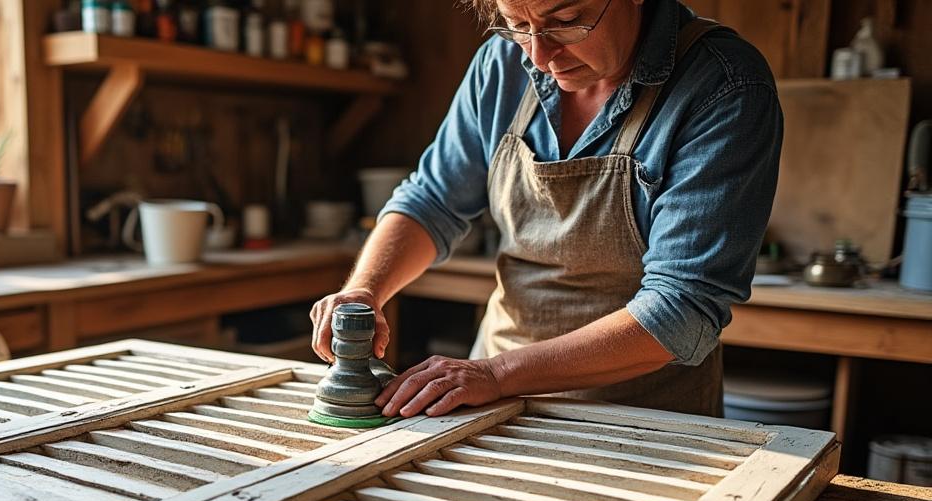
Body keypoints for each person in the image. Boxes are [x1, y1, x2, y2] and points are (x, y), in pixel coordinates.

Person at [309, 0, 782, 419]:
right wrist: (365, 289)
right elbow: (431, 199)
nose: (537, 54)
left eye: (567, 21)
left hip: (640, 416)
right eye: (515, 23)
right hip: (489, 400)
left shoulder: (724, 85)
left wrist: (496, 374)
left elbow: (680, 308)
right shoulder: (502, 63)